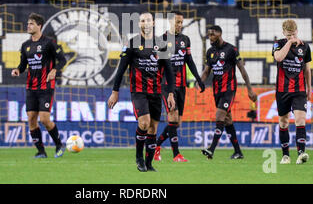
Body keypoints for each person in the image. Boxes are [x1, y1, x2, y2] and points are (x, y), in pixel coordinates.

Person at [108, 12, 176, 172]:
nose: (145, 23)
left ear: (153, 23)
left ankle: (149, 163)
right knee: (144, 123)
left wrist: (171, 93)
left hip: (156, 92)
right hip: (138, 92)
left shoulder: (162, 44)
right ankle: (139, 158)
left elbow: (169, 71)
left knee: (153, 128)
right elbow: (121, 69)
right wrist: (115, 91)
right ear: (139, 24)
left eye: (148, 20)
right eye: (142, 21)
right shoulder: (132, 44)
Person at [11, 13, 67, 158]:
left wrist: (55, 70)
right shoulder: (25, 46)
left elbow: (62, 60)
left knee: (44, 119)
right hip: (31, 87)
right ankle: (41, 151)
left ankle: (59, 145)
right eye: (28, 23)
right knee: (31, 118)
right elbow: (23, 65)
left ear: (39, 26)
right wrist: (18, 70)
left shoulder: (49, 43)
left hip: (46, 86)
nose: (28, 26)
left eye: (31, 24)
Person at [154, 11, 205, 162]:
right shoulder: (161, 40)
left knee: (177, 122)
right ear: (170, 22)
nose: (180, 25)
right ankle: (177, 155)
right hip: (167, 85)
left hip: (181, 85)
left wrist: (199, 79)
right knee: (172, 117)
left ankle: (156, 146)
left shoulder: (185, 40)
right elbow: (157, 65)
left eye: (182, 22)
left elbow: (189, 60)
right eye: (177, 22)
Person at [200, 25, 257, 159]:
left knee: (219, 117)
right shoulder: (210, 52)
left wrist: (249, 89)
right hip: (217, 90)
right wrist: (199, 82)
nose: (210, 37)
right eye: (209, 35)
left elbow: (242, 70)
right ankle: (238, 152)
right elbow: (207, 71)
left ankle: (211, 149)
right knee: (227, 120)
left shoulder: (231, 49)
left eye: (212, 34)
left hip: (229, 90)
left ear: (219, 34)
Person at [272, 20, 311, 164]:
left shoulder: (305, 47)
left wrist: (310, 88)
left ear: (297, 31)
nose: (292, 37)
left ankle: (301, 153)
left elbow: (307, 69)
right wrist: (289, 42)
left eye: (294, 34)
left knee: (300, 120)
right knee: (283, 122)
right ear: (283, 33)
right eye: (289, 35)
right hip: (282, 90)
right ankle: (285, 156)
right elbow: (278, 57)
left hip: (299, 89)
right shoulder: (278, 44)